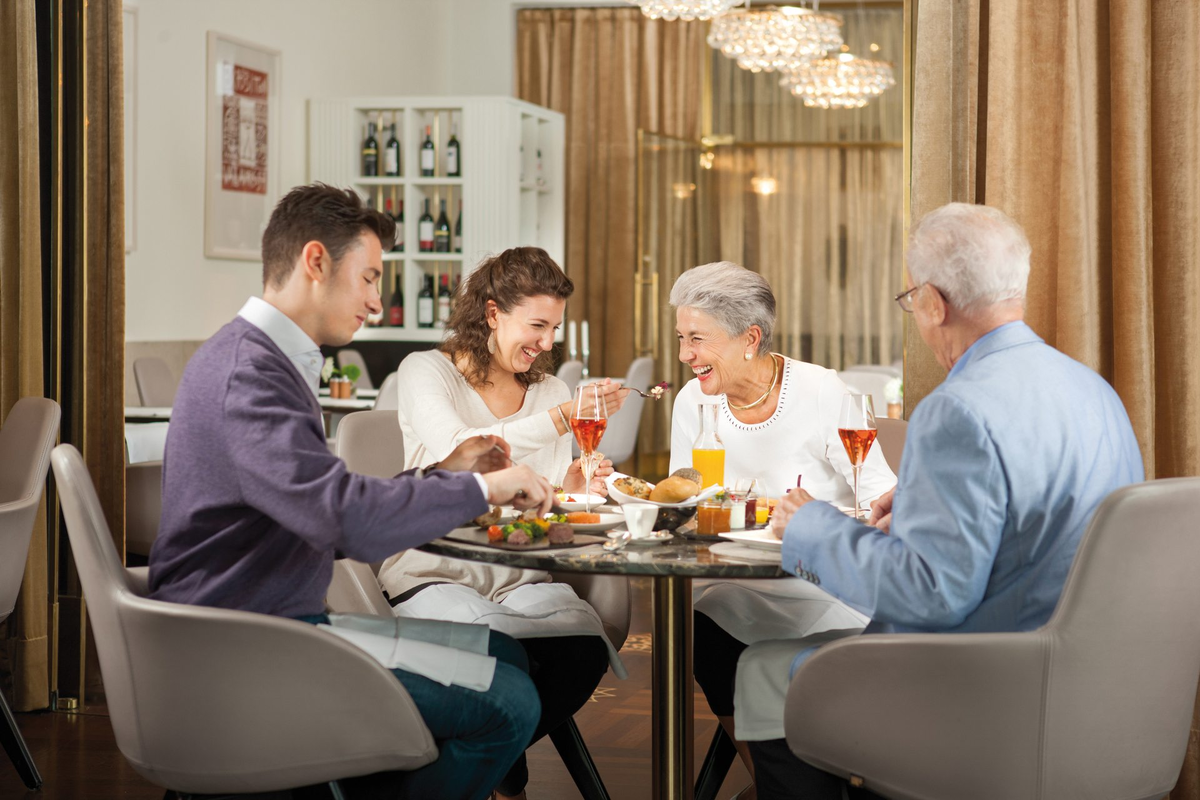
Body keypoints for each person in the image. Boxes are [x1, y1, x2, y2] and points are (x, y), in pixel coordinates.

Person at [148, 183, 556, 800]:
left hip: (274, 628)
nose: (374, 300)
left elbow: (323, 500)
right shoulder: (249, 377)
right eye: (367, 278)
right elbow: (345, 522)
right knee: (509, 701)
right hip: (247, 651)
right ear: (316, 262)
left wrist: (444, 471)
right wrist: (480, 488)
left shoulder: (261, 360)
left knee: (507, 654)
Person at [748, 203, 1144, 799]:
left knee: (763, 672)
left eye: (912, 302)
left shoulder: (958, 408)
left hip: (986, 693)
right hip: (1094, 691)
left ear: (933, 302)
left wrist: (812, 526)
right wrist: (921, 503)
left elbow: (929, 595)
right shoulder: (1094, 390)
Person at [378, 246, 629, 800]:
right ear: (492, 314)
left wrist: (571, 488)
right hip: (434, 566)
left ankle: (492, 764)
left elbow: (543, 497)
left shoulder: (550, 391)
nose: (546, 343)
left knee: (581, 644)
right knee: (496, 648)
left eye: (554, 328)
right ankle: (496, 776)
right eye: (536, 325)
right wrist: (561, 421)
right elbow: (463, 454)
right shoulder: (427, 371)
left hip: (520, 574)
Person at [667, 261, 896, 799]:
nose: (684, 356)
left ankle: (815, 777)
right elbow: (688, 501)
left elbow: (880, 495)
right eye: (681, 338)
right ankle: (777, 782)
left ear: (750, 338)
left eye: (697, 339)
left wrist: (816, 519)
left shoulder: (821, 392)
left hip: (820, 582)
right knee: (703, 634)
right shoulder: (692, 401)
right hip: (734, 582)